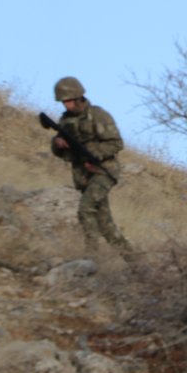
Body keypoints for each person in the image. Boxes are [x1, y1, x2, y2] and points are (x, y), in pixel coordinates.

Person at [50, 77, 133, 259]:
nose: (67, 106)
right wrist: (58, 144)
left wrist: (92, 153)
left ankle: (92, 257)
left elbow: (116, 143)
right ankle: (139, 265)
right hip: (84, 176)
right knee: (106, 225)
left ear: (79, 97)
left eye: (69, 101)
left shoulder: (98, 115)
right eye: (64, 102)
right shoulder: (65, 122)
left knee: (85, 209)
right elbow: (61, 153)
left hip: (103, 172)